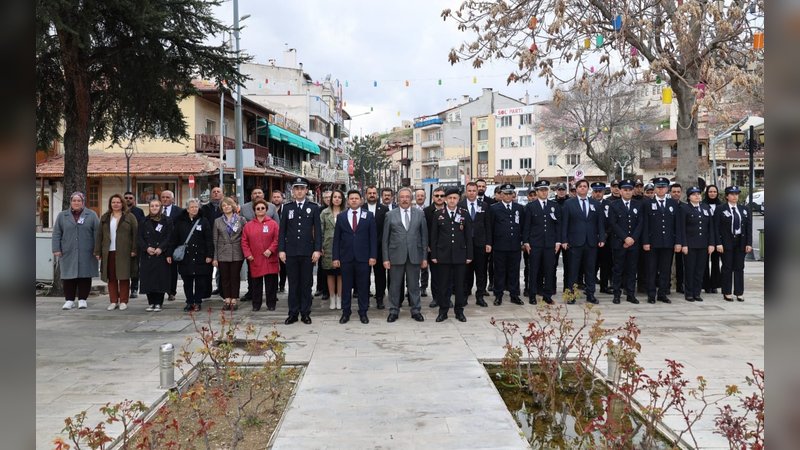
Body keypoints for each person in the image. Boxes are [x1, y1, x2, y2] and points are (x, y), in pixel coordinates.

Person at [279, 177, 322, 324]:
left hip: (307, 251)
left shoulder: (314, 207)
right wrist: (281, 250)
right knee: (293, 284)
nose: (299, 191)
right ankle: (293, 313)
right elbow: (282, 231)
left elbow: (318, 231)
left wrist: (317, 250)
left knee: (306, 283)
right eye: (296, 188)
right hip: (291, 251)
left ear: (306, 191)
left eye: (302, 188)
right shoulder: (287, 207)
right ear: (293, 191)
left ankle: (305, 312)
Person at [382, 187, 428, 322]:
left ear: (411, 198)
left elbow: (424, 237)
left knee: (414, 285)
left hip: (415, 255)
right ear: (397, 199)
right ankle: (393, 311)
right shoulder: (390, 215)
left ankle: (416, 310)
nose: (405, 199)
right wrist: (385, 258)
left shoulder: (420, 214)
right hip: (396, 256)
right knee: (394, 285)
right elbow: (385, 239)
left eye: (407, 197)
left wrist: (424, 257)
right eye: (402, 197)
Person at [332, 190, 377, 324]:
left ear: (361, 200)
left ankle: (363, 312)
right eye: (351, 198)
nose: (354, 200)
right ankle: (346, 312)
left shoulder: (368, 216)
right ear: (348, 200)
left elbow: (373, 238)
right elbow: (336, 240)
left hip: (363, 258)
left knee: (363, 286)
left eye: (356, 198)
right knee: (346, 287)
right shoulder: (341, 217)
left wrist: (373, 256)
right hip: (346, 258)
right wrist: (336, 257)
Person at [430, 187, 472, 322]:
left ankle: (459, 311)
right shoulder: (438, 214)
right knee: (443, 286)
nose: (452, 200)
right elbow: (434, 237)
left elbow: (468, 237)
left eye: (455, 198)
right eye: (449, 198)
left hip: (460, 255)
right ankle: (443, 311)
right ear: (445, 200)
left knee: (459, 286)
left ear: (459, 199)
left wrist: (469, 255)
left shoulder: (464, 214)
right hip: (443, 256)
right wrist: (434, 255)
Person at [52, 192, 99, 310]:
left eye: (79, 201)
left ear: (83, 202)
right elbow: (57, 233)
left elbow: (97, 233)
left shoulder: (91, 215)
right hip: (68, 250)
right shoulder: (62, 216)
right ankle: (69, 300)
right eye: (74, 200)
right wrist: (56, 248)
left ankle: (83, 299)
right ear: (71, 202)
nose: (76, 203)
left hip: (87, 251)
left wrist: (97, 250)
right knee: (68, 276)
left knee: (85, 275)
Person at [561, 179, 606, 304]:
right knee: (573, 270)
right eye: (580, 186)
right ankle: (572, 295)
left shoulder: (595, 204)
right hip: (574, 242)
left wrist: (602, 238)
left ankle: (590, 294)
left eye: (585, 186)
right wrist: (564, 240)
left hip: (591, 242)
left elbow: (600, 223)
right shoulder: (569, 204)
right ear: (576, 189)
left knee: (590, 270)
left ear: (588, 189)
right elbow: (564, 223)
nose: (582, 188)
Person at [641, 177, 683, 304]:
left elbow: (677, 225)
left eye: (663, 187)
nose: (661, 189)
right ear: (654, 189)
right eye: (658, 187)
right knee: (651, 269)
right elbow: (645, 225)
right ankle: (651, 294)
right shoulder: (647, 203)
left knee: (666, 269)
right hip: (653, 243)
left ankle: (662, 293)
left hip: (668, 242)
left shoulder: (673, 204)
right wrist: (645, 242)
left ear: (667, 189)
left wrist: (678, 242)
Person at [95, 194, 138, 311]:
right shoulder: (105, 217)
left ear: (122, 203)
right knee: (111, 277)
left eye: (118, 202)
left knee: (124, 276)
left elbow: (135, 234)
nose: (116, 204)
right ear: (110, 204)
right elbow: (99, 235)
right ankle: (113, 301)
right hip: (109, 251)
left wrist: (134, 249)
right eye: (113, 202)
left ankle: (123, 301)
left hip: (124, 251)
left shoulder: (130, 217)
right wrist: (97, 251)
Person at [522, 180, 560, 305]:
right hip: (535, 243)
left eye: (546, 190)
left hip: (549, 244)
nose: (544, 192)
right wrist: (526, 242)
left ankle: (547, 295)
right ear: (537, 192)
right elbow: (526, 226)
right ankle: (532, 294)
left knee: (549, 270)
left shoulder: (554, 205)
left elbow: (557, 226)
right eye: (541, 190)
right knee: (534, 270)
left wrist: (558, 241)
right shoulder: (530, 206)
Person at [173, 198, 213, 312]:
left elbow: (209, 240)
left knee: (200, 281)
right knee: (188, 282)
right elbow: (175, 239)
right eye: (192, 207)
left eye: (196, 207)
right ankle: (189, 302)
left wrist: (209, 255)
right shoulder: (180, 222)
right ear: (187, 209)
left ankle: (198, 301)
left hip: (201, 256)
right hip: (186, 257)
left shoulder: (204, 221)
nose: (194, 209)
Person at [488, 183, 525, 305]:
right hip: (499, 246)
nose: (508, 196)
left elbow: (522, 226)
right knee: (499, 271)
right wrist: (490, 243)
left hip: (514, 245)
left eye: (510, 193)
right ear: (501, 194)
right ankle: (498, 295)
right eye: (506, 193)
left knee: (514, 271)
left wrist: (523, 241)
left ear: (513, 195)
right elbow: (490, 227)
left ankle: (514, 294)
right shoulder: (494, 208)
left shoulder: (519, 208)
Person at [607, 180, 643, 304]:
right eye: (625, 190)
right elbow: (613, 223)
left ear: (633, 191)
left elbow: (640, 224)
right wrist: (625, 238)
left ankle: (631, 294)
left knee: (632, 270)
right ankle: (617, 294)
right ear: (621, 191)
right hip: (619, 243)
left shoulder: (638, 205)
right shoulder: (614, 205)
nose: (627, 192)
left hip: (634, 243)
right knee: (618, 269)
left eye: (629, 190)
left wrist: (632, 238)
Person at [240, 188, 279, 302]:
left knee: (271, 276)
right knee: (253, 274)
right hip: (253, 250)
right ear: (251, 195)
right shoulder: (244, 208)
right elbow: (242, 227)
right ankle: (252, 293)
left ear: (263, 194)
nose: (257, 195)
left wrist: (272, 248)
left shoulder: (271, 207)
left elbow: (277, 225)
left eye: (259, 193)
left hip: (269, 249)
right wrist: (247, 252)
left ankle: (272, 296)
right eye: (254, 193)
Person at [715, 186, 753, 302]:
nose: (735, 196)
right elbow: (716, 228)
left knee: (739, 267)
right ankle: (727, 292)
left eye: (736, 194)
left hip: (740, 241)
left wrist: (749, 243)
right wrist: (718, 243)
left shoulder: (744, 209)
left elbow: (748, 228)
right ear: (727, 196)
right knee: (727, 267)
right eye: (732, 194)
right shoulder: (720, 209)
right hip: (726, 242)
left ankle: (739, 292)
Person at [678, 186, 716, 303]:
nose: (697, 196)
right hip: (690, 245)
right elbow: (681, 229)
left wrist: (711, 244)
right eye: (694, 194)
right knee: (690, 269)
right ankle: (689, 293)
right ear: (689, 197)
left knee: (700, 270)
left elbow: (710, 228)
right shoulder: (684, 209)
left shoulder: (705, 207)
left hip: (703, 244)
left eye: (698, 194)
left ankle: (697, 292)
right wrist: (683, 244)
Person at [138, 198, 174, 312]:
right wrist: (146, 248)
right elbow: (139, 237)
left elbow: (169, 237)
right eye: (152, 206)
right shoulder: (143, 221)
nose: (154, 208)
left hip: (161, 254)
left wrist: (161, 248)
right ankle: (151, 302)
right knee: (148, 279)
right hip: (147, 254)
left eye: (156, 206)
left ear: (161, 207)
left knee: (160, 279)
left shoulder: (167, 220)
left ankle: (158, 303)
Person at [459, 181, 492, 307]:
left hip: (480, 244)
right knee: (466, 272)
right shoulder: (460, 205)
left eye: (474, 190)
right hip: (465, 244)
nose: (472, 193)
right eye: (469, 190)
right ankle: (465, 295)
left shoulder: (484, 205)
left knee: (481, 271)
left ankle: (480, 296)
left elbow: (488, 225)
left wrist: (488, 242)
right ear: (466, 192)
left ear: (477, 191)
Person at [212, 196, 247, 311]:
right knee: (224, 277)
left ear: (233, 206)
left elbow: (245, 237)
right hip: (222, 252)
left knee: (235, 276)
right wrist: (215, 257)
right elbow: (215, 240)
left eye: (228, 205)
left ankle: (234, 299)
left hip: (237, 252)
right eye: (224, 205)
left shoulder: (241, 220)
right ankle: (227, 299)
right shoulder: (217, 221)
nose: (226, 207)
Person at [364, 186, 389, 309]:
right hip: (364, 248)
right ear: (366, 195)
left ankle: (380, 298)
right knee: (364, 275)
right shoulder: (361, 208)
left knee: (380, 275)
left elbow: (386, 229)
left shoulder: (384, 209)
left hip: (380, 248)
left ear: (377, 195)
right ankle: (365, 298)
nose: (372, 195)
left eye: (374, 193)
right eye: (370, 193)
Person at [320, 189, 345, 309]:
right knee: (330, 273)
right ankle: (332, 298)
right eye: (335, 197)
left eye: (339, 197)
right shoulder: (324, 213)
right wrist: (319, 247)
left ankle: (339, 297)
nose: (336, 199)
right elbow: (320, 231)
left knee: (340, 274)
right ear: (331, 199)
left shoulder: (346, 212)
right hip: (328, 246)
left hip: (343, 247)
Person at [423, 187, 446, 308]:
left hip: (448, 249)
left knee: (448, 276)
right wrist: (426, 245)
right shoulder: (427, 211)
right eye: (437, 196)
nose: (439, 198)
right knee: (436, 275)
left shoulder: (451, 209)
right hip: (433, 249)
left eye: (442, 196)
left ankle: (446, 298)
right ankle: (436, 298)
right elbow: (424, 230)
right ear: (433, 197)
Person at [159, 190, 183, 302]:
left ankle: (171, 292)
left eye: (167, 197)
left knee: (172, 270)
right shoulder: (156, 209)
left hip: (173, 244)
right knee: (160, 270)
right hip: (159, 245)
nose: (165, 199)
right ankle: (159, 291)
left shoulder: (179, 211)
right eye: (163, 197)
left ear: (172, 199)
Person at [201, 186, 224, 296]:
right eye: (214, 192)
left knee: (222, 267)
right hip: (207, 240)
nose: (215, 193)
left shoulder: (225, 207)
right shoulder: (204, 208)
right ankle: (206, 291)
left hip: (222, 240)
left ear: (222, 194)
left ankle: (221, 288)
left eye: (218, 192)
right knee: (207, 267)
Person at [591, 182, 614, 295]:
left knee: (606, 264)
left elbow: (612, 221)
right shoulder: (588, 203)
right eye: (596, 191)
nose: (598, 193)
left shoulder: (609, 204)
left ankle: (604, 286)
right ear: (592, 192)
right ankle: (589, 286)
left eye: (600, 191)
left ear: (604, 192)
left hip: (606, 239)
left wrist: (605, 234)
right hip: (592, 238)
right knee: (591, 263)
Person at [123, 192, 144, 299]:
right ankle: (123, 290)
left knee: (135, 268)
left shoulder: (139, 212)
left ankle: (134, 288)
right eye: (126, 198)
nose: (128, 200)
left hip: (135, 243)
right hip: (122, 244)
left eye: (130, 198)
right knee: (123, 268)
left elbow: (142, 228)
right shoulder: (119, 211)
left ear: (134, 200)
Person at [702, 185, 722, 294]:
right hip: (705, 237)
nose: (712, 193)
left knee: (715, 262)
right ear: (707, 193)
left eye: (714, 191)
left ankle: (714, 284)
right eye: (710, 191)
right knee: (704, 262)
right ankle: (706, 285)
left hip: (718, 238)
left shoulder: (721, 205)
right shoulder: (702, 205)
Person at [315, 190, 333, 300]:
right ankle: (321, 288)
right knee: (322, 268)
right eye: (325, 197)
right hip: (324, 243)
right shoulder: (319, 210)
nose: (327, 199)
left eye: (329, 197)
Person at [271, 189, 288, 293]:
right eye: (274, 197)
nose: (276, 199)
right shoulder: (268, 208)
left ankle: (282, 284)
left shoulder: (285, 208)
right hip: (271, 239)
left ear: (282, 198)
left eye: (278, 197)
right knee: (272, 263)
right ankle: (273, 285)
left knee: (283, 264)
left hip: (284, 239)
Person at [414, 188, 430, 297]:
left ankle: (423, 287)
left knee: (424, 266)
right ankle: (411, 287)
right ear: (415, 197)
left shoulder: (429, 210)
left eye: (422, 195)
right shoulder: (411, 210)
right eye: (418, 195)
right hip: (414, 243)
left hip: (425, 242)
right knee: (412, 267)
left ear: (425, 197)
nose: (420, 197)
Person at [670, 183, 685, 294]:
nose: (676, 194)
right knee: (667, 264)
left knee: (681, 263)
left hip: (681, 239)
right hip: (668, 239)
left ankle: (680, 285)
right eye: (674, 192)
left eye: (678, 192)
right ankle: (666, 286)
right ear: (670, 192)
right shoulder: (666, 204)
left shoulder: (684, 206)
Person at [522, 189, 538, 297]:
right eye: (530, 195)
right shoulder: (525, 208)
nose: (532, 197)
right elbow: (524, 227)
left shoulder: (540, 207)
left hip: (539, 242)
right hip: (529, 242)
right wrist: (524, 241)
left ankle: (538, 286)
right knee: (528, 266)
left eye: (534, 195)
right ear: (528, 197)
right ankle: (527, 287)